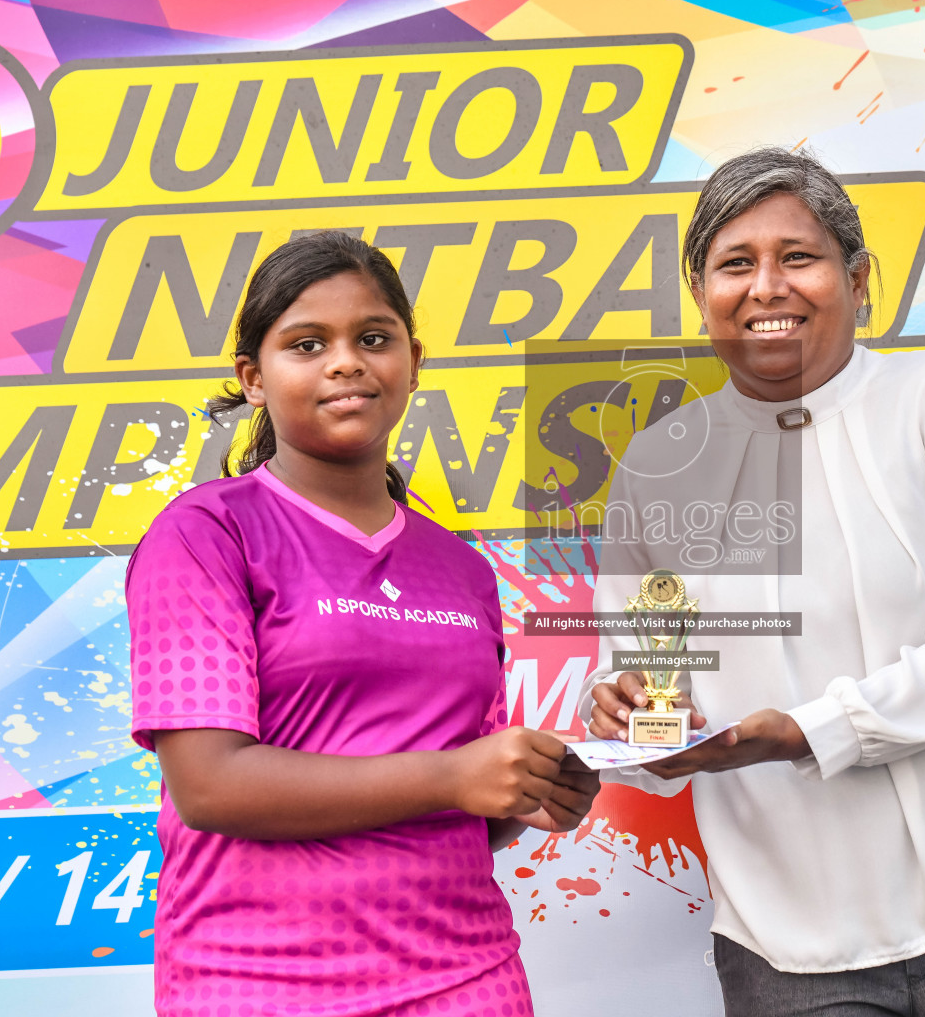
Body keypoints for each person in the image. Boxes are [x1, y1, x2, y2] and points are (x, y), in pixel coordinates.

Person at [584, 149, 925, 1016]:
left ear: (859, 280)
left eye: (799, 257)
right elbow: (653, 679)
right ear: (702, 292)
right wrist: (631, 711)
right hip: (784, 944)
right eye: (735, 264)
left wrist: (806, 731)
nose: (767, 287)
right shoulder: (658, 469)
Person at [127, 231, 599, 1017]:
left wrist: (525, 794)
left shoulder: (462, 569)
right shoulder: (205, 534)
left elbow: (456, 803)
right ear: (253, 378)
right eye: (307, 344)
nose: (346, 362)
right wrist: (456, 774)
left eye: (372, 339)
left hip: (467, 978)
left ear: (412, 360)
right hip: (257, 980)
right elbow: (209, 786)